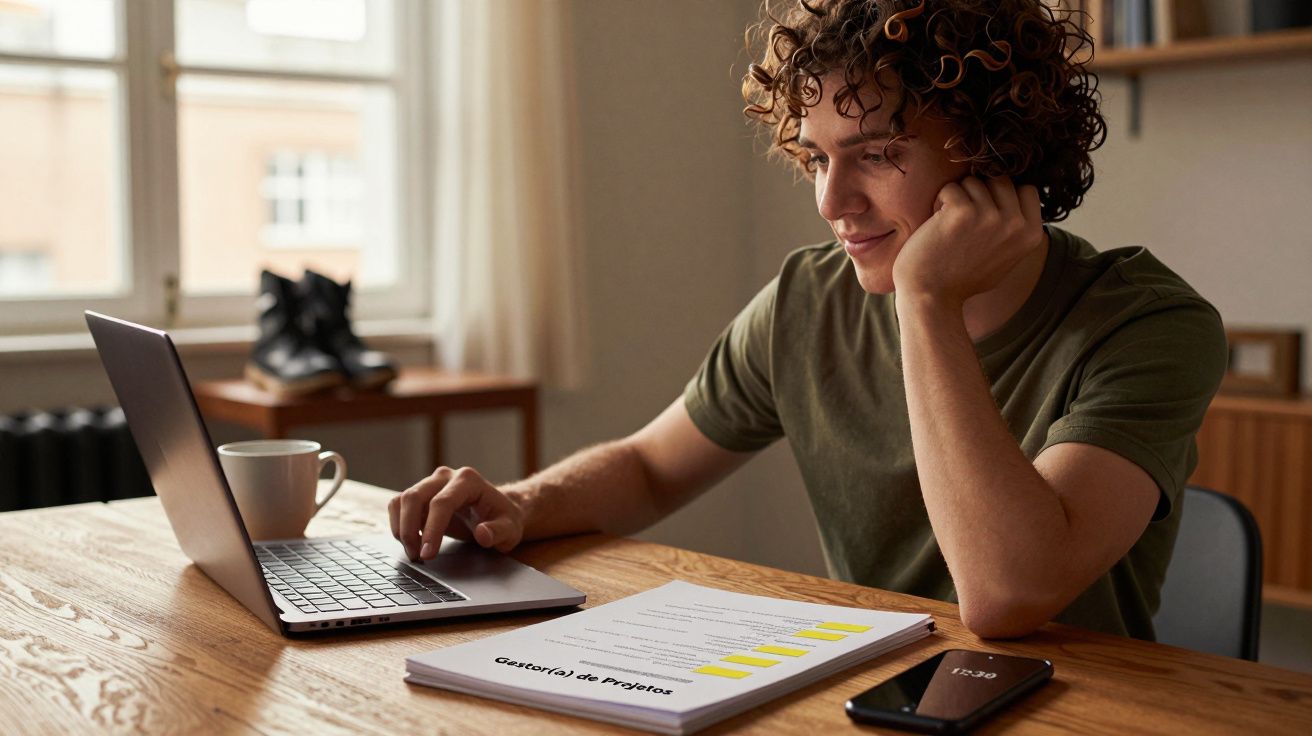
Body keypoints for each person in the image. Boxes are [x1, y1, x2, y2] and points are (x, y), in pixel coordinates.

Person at [389, 0, 1226, 641]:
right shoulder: (807, 299)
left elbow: (1008, 593)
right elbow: (649, 468)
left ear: (997, 152)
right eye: (820, 157)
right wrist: (521, 505)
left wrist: (926, 303)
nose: (832, 201)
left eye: (877, 154)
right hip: (873, 692)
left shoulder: (1149, 325)